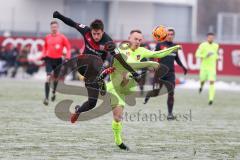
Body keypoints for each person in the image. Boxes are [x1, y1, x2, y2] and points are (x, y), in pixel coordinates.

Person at [52, 11, 140, 123]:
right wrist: (58, 16)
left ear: (103, 32)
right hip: (82, 64)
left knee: (92, 102)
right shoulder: (86, 31)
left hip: (94, 72)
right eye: (94, 33)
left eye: (98, 34)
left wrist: (134, 72)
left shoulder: (108, 42)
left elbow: (121, 60)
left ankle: (78, 110)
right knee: (96, 61)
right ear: (91, 31)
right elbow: (72, 23)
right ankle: (102, 77)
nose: (96, 36)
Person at [102, 29, 181, 150]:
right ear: (129, 38)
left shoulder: (142, 51)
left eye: (140, 39)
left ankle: (118, 142)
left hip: (123, 88)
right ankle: (79, 110)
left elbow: (157, 54)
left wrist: (174, 48)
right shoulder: (122, 48)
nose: (138, 41)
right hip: (114, 84)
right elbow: (123, 63)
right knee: (92, 101)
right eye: (135, 39)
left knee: (117, 118)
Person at [144, 28, 187, 120]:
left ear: (173, 36)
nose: (170, 36)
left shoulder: (175, 46)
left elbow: (176, 58)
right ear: (165, 35)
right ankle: (149, 94)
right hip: (160, 72)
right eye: (168, 34)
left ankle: (170, 114)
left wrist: (183, 67)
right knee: (157, 92)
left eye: (172, 34)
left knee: (171, 93)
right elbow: (153, 55)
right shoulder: (160, 45)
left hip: (171, 74)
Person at [42, 20, 71, 105]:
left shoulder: (62, 37)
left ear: (58, 28)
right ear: (50, 28)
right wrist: (43, 54)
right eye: (52, 27)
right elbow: (44, 47)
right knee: (47, 78)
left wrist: (67, 56)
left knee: (56, 78)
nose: (54, 28)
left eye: (55, 27)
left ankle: (54, 92)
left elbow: (68, 47)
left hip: (58, 60)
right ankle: (46, 98)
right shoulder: (47, 37)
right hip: (49, 60)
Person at [195, 32, 219, 105]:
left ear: (213, 38)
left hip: (212, 68)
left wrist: (217, 57)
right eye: (209, 37)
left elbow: (216, 55)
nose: (211, 38)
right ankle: (201, 86)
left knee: (212, 81)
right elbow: (197, 54)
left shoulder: (216, 46)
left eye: (212, 37)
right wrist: (206, 55)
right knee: (202, 80)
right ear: (207, 38)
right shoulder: (203, 45)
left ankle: (211, 99)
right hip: (204, 67)